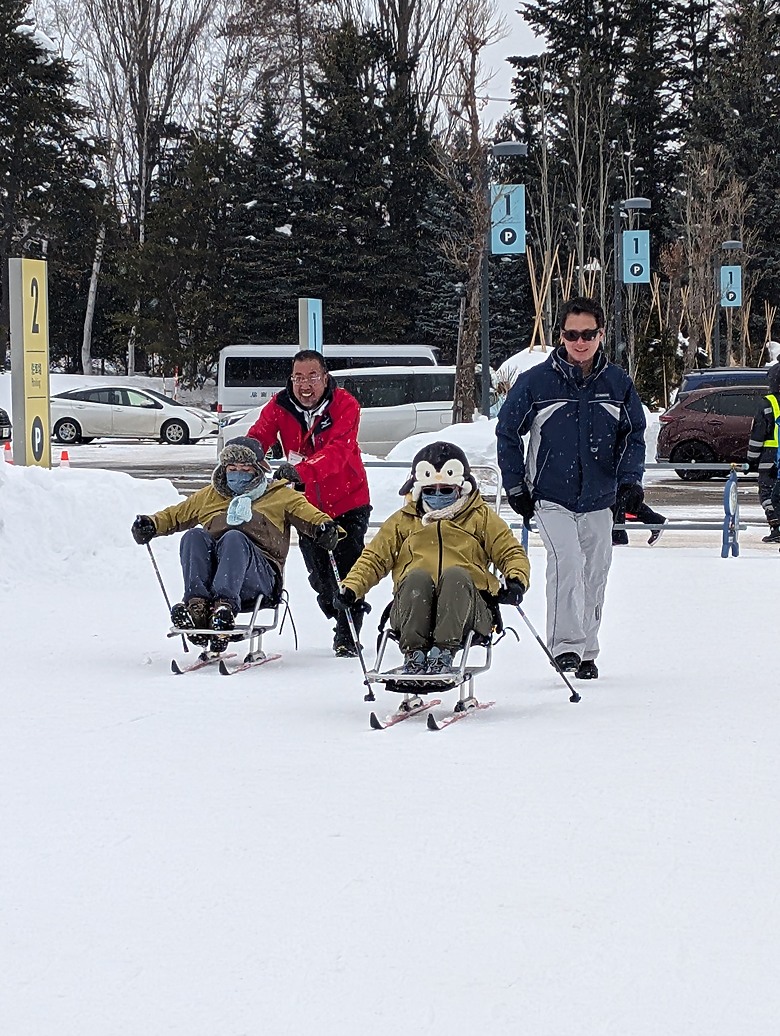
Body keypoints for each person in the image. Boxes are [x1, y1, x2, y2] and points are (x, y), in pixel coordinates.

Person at [496, 296, 646, 680]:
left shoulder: (618, 383)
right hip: (549, 496)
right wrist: (515, 485)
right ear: (560, 335)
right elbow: (507, 432)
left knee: (596, 571)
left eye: (588, 334)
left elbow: (634, 435)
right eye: (571, 334)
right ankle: (565, 648)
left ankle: (587, 650)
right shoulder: (536, 382)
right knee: (567, 562)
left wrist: (630, 483)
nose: (580, 342)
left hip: (600, 496)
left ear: (601, 334)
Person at [334, 442, 530, 682]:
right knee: (416, 578)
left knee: (456, 576)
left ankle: (443, 653)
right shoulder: (403, 521)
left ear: (460, 488)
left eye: (445, 490)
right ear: (418, 490)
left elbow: (510, 551)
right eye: (430, 490)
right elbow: (374, 558)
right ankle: (414, 655)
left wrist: (515, 580)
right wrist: (352, 587)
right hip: (414, 608)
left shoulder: (480, 517)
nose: (437, 496)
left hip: (468, 609)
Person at [131, 437, 339, 646]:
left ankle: (224, 608)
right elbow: (175, 516)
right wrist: (151, 524)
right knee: (193, 536)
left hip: (260, 576)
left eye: (245, 469)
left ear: (258, 469)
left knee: (233, 537)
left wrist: (326, 528)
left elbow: (312, 517)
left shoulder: (280, 495)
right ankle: (198, 607)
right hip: (214, 574)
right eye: (232, 468)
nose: (238, 473)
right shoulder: (210, 496)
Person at [247, 350, 371, 657]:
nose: (305, 384)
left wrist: (299, 471)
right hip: (305, 507)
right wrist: (245, 459)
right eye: (298, 377)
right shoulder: (279, 405)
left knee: (348, 569)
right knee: (320, 576)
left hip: (348, 500)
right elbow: (258, 435)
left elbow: (339, 451)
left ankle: (348, 632)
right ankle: (336, 608)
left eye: (312, 376)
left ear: (325, 377)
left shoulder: (345, 405)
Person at [746, 362, 780, 542]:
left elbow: (757, 434)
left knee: (767, 493)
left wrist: (751, 459)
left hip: (771, 457)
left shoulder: (768, 404)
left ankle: (776, 527)